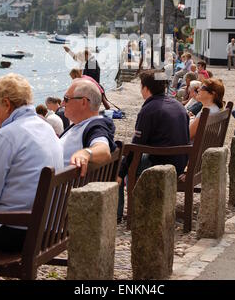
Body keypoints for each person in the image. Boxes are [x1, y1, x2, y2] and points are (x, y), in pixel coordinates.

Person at [0, 73, 64, 253]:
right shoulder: (45, 128)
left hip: (16, 232)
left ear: (7, 104)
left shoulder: (7, 135)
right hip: (45, 229)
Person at [117, 69, 190, 222]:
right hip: (179, 161)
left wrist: (121, 173)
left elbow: (137, 145)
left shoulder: (149, 109)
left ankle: (119, 214)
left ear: (145, 88)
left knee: (119, 166)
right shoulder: (178, 106)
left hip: (160, 162)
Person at [60, 79, 116, 174]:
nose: (62, 104)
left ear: (83, 102)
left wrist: (86, 153)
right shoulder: (81, 124)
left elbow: (104, 149)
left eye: (66, 99)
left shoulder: (96, 127)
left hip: (57, 187)